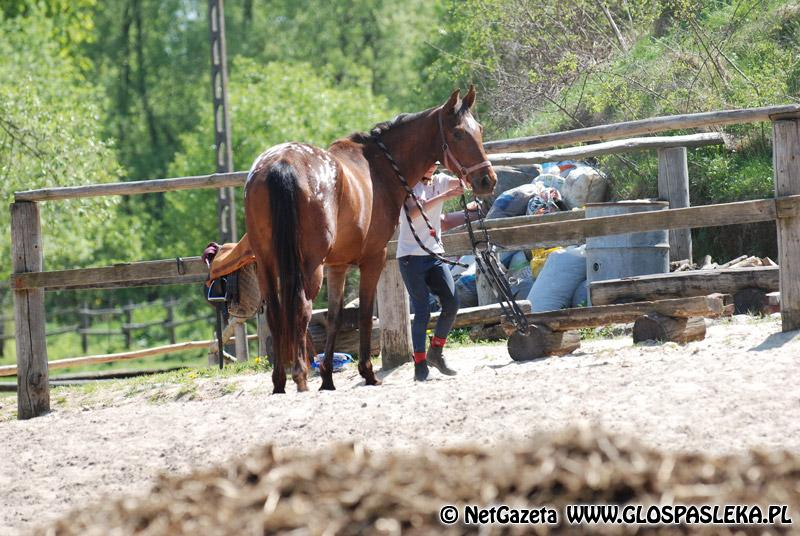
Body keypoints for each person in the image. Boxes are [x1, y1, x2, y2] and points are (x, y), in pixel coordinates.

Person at [396, 164, 477, 381]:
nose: (433, 167)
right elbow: (413, 213)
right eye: (429, 163)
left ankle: (436, 352)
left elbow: (466, 182)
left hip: (434, 254)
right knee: (422, 310)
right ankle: (420, 365)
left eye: (436, 164)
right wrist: (444, 196)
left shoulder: (440, 181)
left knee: (452, 303)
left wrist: (466, 173)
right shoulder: (408, 184)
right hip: (411, 256)